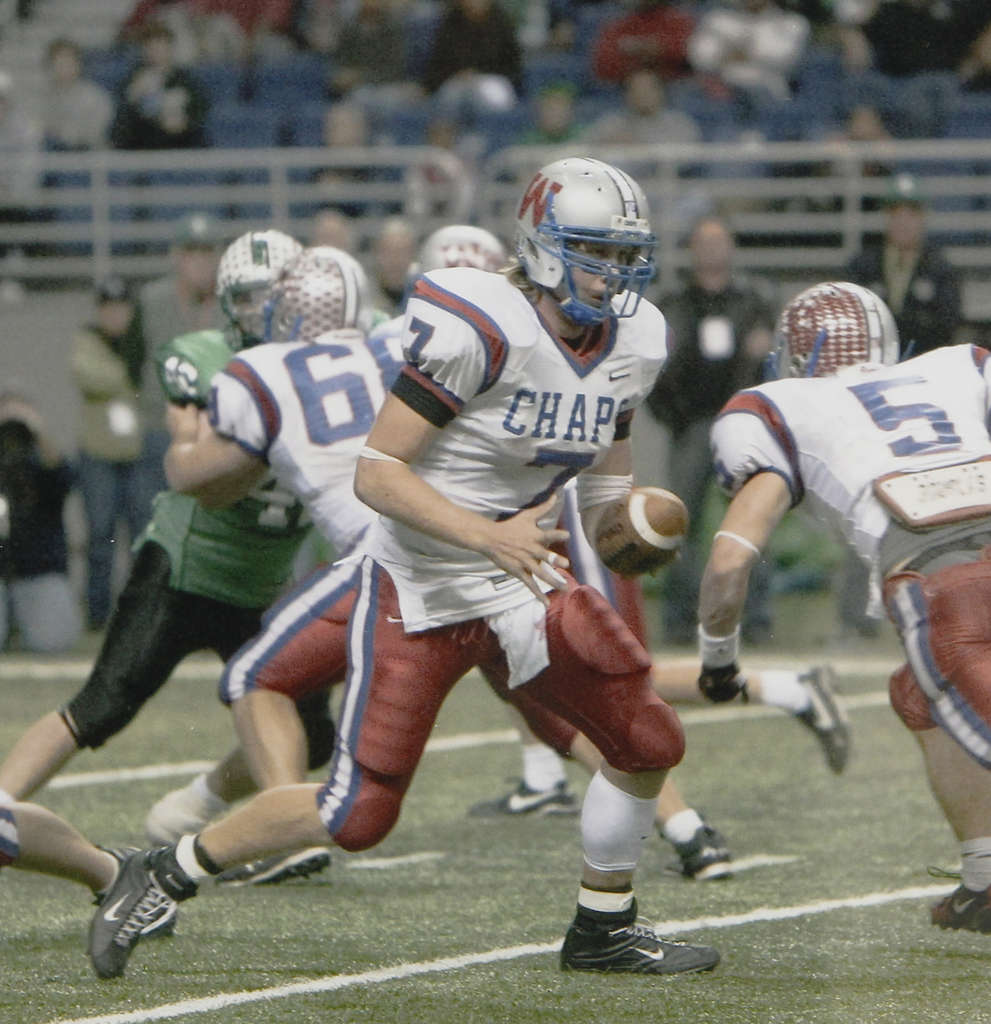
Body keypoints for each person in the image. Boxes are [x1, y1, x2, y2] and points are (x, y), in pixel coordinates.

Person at [87, 157, 722, 980]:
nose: (613, 273)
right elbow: (377, 471)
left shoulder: (634, 339)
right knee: (358, 815)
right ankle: (164, 869)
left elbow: (605, 476)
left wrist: (626, 526)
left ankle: (604, 924)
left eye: (624, 253)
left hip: (516, 578)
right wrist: (485, 535)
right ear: (543, 247)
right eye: (593, 250)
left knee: (645, 739)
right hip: (420, 581)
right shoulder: (482, 327)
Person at [0, 230, 337, 888]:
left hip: (264, 585)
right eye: (250, 300)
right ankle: (4, 803)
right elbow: (198, 477)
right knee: (103, 705)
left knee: (308, 724)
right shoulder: (202, 356)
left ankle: (214, 807)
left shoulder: (332, 360)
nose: (266, 313)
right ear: (226, 305)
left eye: (280, 297)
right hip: (185, 569)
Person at [693, 279, 991, 934]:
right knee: (914, 695)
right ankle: (983, 879)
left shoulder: (776, 405)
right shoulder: (955, 366)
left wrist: (718, 663)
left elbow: (727, 563)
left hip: (941, 584)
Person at [646, 214, 776, 646]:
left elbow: (771, 366)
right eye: (704, 242)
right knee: (678, 522)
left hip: (744, 425)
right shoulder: (674, 305)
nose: (712, 251)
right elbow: (652, 369)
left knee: (752, 519)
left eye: (720, 242)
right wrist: (674, 417)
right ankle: (679, 621)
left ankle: (756, 619)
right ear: (692, 250)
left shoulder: (753, 304)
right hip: (693, 424)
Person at [132, 210, 227, 530]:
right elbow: (132, 359)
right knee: (154, 522)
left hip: (213, 428)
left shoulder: (230, 304)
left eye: (207, 252)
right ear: (176, 256)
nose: (200, 261)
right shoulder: (151, 300)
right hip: (161, 425)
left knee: (210, 523)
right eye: (191, 252)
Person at [71, 275, 147, 630]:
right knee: (100, 536)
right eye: (108, 309)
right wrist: (127, 372)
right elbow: (89, 376)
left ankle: (137, 614)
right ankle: (98, 614)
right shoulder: (86, 340)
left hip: (137, 454)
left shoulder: (141, 341)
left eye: (121, 309)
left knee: (141, 537)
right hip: (98, 454)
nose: (115, 316)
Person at [846, 173, 963, 359]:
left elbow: (947, 326)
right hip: (870, 367)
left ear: (923, 217)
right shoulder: (862, 266)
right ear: (886, 217)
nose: (903, 221)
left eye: (911, 214)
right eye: (896, 213)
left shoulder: (940, 269)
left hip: (923, 366)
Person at [0, 390, 81, 652]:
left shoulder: (43, 464)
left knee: (54, 642)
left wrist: (35, 427)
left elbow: (64, 475)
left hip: (38, 573)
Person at [110, 20, 209, 150]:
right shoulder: (132, 80)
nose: (156, 51)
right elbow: (122, 117)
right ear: (143, 50)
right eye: (150, 46)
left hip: (182, 143)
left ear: (170, 47)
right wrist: (133, 95)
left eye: (161, 45)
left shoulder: (187, 80)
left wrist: (184, 122)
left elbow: (200, 109)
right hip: (143, 146)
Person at [420, 0, 524, 120]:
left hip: (492, 80)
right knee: (447, 100)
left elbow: (513, 67)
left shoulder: (502, 23)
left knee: (497, 95)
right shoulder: (450, 23)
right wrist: (458, 75)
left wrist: (479, 73)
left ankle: (496, 130)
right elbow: (437, 65)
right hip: (457, 81)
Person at [591, 0, 696, 87]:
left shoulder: (679, 21)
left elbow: (690, 53)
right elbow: (602, 64)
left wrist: (647, 49)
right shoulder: (619, 25)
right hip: (627, 87)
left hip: (674, 85)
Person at [39, 37, 113, 151]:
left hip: (86, 157)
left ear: (78, 64)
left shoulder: (95, 96)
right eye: (58, 61)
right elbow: (36, 129)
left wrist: (62, 134)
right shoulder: (40, 97)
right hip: (50, 157)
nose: (63, 66)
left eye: (68, 61)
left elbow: (95, 133)